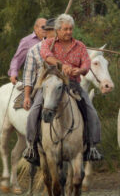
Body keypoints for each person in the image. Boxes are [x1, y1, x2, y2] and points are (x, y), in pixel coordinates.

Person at [40, 13, 102, 161]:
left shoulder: (79, 45)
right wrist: (62, 65)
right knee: (36, 109)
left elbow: (86, 64)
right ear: (58, 30)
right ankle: (33, 145)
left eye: (70, 29)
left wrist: (79, 70)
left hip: (73, 84)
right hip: (52, 83)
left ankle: (91, 146)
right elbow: (46, 55)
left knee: (91, 111)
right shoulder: (49, 43)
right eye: (65, 29)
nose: (68, 32)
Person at [22, 18, 56, 164]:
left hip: (63, 85)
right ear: (46, 33)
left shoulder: (65, 48)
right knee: (35, 111)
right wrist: (27, 96)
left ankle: (88, 144)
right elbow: (28, 76)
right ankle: (31, 146)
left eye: (56, 31)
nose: (54, 34)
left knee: (85, 104)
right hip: (42, 87)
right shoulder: (34, 51)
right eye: (51, 31)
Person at [8, 18, 47, 84]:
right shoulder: (26, 41)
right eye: (43, 27)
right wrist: (13, 73)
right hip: (33, 78)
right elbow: (17, 59)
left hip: (50, 76)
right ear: (35, 28)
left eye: (47, 27)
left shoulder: (51, 40)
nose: (45, 29)